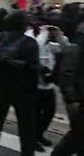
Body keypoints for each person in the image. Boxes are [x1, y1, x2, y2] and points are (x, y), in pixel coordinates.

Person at [0, 10, 40, 156]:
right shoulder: (30, 43)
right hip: (23, 90)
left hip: (0, 86)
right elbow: (33, 69)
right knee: (26, 128)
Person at [25, 23, 70, 151]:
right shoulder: (30, 37)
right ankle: (32, 139)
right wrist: (44, 33)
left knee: (49, 112)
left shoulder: (52, 42)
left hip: (48, 84)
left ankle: (38, 135)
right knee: (34, 114)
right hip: (33, 84)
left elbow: (68, 50)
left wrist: (59, 36)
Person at [52, 16, 84, 156]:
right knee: (77, 136)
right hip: (77, 101)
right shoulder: (75, 50)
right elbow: (66, 75)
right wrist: (71, 99)